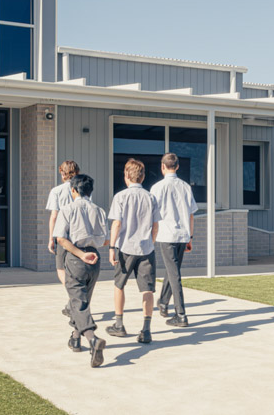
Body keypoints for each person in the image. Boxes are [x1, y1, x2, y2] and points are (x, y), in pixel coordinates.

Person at [52, 173, 110, 368]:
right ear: (90, 191)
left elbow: (60, 238)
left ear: (73, 190)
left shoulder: (67, 209)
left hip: (76, 258)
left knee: (79, 303)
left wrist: (79, 253)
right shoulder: (99, 210)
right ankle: (75, 338)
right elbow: (106, 240)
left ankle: (92, 339)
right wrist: (90, 252)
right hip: (95, 258)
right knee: (82, 302)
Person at [106, 159, 161, 344]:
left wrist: (112, 247)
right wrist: (150, 242)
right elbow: (155, 226)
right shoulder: (151, 197)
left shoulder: (120, 197)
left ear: (126, 175)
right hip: (146, 248)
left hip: (125, 248)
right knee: (147, 289)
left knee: (119, 285)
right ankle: (146, 330)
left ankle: (119, 324)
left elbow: (117, 223)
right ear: (143, 176)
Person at [151, 152, 198, 327]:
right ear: (177, 166)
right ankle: (163, 302)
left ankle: (181, 314)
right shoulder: (186, 186)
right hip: (182, 235)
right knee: (173, 271)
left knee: (174, 274)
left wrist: (151, 235)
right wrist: (190, 237)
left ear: (163, 167)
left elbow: (152, 215)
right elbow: (192, 215)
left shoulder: (157, 187)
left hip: (166, 235)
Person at [47, 161, 81, 285]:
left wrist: (51, 238)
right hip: (79, 232)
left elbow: (54, 216)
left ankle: (71, 291)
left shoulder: (56, 191)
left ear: (62, 173)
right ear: (77, 173)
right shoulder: (82, 189)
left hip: (63, 234)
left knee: (61, 267)